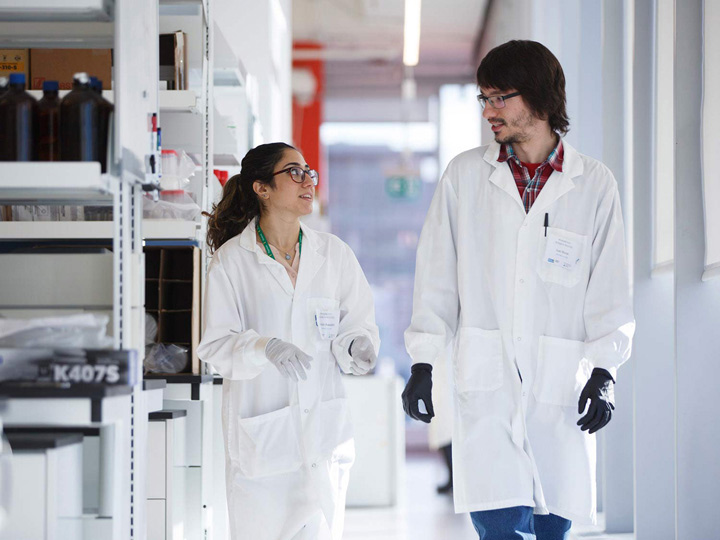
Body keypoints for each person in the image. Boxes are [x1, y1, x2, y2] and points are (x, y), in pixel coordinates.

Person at [401, 40, 635, 540]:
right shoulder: (465, 176)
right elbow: (437, 274)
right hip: (488, 385)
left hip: (558, 388)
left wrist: (605, 370)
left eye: (499, 97)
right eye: (483, 99)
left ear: (540, 99)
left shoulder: (594, 184)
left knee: (553, 530)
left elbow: (609, 287)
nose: (488, 111)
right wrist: (423, 361)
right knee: (499, 530)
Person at [197, 142, 380, 540]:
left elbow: (358, 322)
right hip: (264, 445)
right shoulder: (232, 260)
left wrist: (356, 345)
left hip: (323, 438)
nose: (307, 180)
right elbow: (215, 347)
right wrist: (264, 347)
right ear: (261, 188)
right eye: (293, 172)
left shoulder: (334, 254)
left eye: (308, 171)